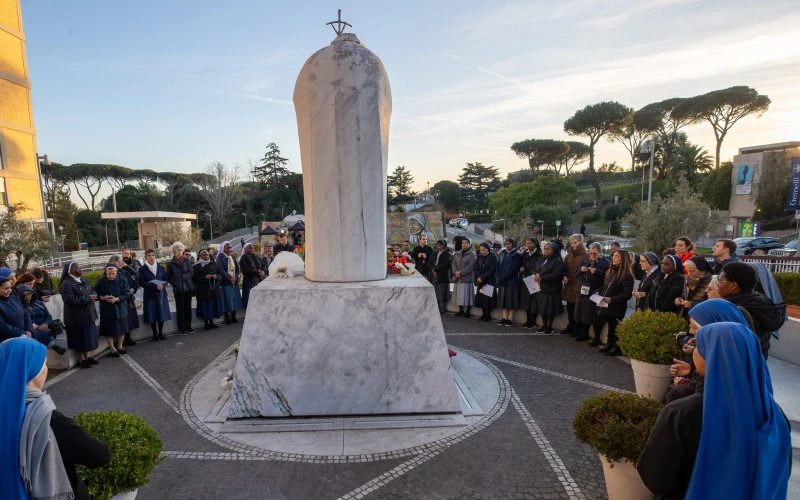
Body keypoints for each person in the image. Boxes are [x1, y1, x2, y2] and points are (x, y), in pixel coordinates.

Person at [637, 322, 791, 500]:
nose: (694, 351)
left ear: (712, 355)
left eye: (700, 347)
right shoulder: (774, 413)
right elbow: (780, 472)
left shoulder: (681, 412)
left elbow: (655, 477)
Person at [0, 338, 111, 500]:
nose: (46, 369)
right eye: (43, 364)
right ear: (31, 371)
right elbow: (99, 455)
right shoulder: (44, 417)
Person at [667, 299, 753, 404]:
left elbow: (711, 393)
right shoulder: (744, 360)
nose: (690, 331)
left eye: (694, 327)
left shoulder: (729, 370)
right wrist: (692, 369)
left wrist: (683, 387)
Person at [718, 262, 786, 359]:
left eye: (720, 281)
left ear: (733, 285)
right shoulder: (758, 300)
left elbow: (732, 344)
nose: (717, 285)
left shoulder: (739, 310)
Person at [594, 250, 634, 356]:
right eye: (613, 256)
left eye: (616, 256)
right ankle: (609, 344)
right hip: (606, 304)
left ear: (623, 259)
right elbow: (606, 286)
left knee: (616, 327)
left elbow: (627, 295)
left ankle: (616, 347)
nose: (613, 258)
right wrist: (599, 290)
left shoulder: (626, 275)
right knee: (610, 326)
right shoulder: (611, 272)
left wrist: (612, 299)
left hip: (617, 306)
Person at [60, 263, 99, 368]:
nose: (79, 269)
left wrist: (94, 295)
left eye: (79, 267)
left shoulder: (84, 280)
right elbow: (69, 300)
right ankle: (81, 359)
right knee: (79, 339)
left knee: (88, 338)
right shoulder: (66, 283)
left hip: (88, 314)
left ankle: (87, 357)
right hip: (76, 317)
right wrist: (88, 299)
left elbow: (92, 289)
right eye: (76, 267)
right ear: (69, 271)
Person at [572, 242, 609, 344]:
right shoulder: (585, 262)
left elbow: (608, 278)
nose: (592, 255)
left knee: (596, 316)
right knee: (584, 315)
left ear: (601, 252)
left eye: (595, 253)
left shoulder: (606, 263)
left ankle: (597, 337)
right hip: (583, 292)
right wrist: (581, 269)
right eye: (591, 253)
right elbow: (575, 273)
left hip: (596, 293)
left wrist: (597, 272)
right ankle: (585, 333)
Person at [17, 284, 67, 355]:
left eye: (30, 294)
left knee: (43, 332)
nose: (28, 296)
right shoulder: (20, 306)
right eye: (26, 294)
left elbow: (48, 316)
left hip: (45, 326)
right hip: (33, 328)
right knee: (36, 333)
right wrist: (36, 326)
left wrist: (45, 324)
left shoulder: (39, 303)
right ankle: (54, 346)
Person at [93, 264, 130, 357]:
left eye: (113, 274)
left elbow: (126, 293)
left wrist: (117, 299)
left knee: (121, 328)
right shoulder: (101, 281)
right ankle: (112, 348)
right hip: (107, 308)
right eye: (109, 274)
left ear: (116, 272)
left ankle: (120, 346)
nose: (111, 276)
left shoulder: (122, 279)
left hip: (120, 307)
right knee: (109, 329)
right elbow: (94, 292)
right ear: (105, 272)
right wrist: (101, 297)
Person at [139, 249, 170, 341]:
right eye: (149, 255)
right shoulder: (142, 269)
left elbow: (165, 278)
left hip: (161, 294)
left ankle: (161, 332)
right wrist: (154, 286)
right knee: (152, 314)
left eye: (153, 255)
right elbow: (141, 282)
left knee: (161, 314)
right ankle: (154, 333)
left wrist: (162, 285)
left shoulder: (160, 267)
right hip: (150, 295)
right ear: (146, 257)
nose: (151, 257)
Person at [165, 242, 196, 335]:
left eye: (181, 250)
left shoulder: (186, 261)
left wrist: (183, 277)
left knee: (188, 308)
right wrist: (176, 283)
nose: (180, 252)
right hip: (178, 289)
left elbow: (191, 272)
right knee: (180, 308)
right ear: (174, 251)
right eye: (178, 250)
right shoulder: (170, 263)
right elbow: (168, 276)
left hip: (188, 287)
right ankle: (181, 328)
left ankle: (188, 326)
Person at [561, 234, 588, 336]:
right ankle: (571, 325)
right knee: (570, 307)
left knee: (579, 308)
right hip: (569, 285)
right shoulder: (569, 256)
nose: (573, 245)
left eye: (575, 242)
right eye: (571, 243)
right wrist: (564, 276)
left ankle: (578, 328)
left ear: (581, 242)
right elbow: (564, 269)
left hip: (580, 285)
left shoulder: (586, 256)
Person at [110, 255, 139, 347]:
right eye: (119, 261)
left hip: (129, 300)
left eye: (121, 261)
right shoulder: (110, 273)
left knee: (129, 319)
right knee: (120, 321)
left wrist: (133, 289)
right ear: (113, 262)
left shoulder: (125, 272)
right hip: (119, 300)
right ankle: (118, 342)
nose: (121, 263)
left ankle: (128, 338)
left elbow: (135, 280)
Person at [536, 242, 564, 335]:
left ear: (553, 250)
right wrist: (536, 274)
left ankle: (549, 327)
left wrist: (542, 278)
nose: (545, 250)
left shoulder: (557, 260)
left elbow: (557, 274)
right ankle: (544, 325)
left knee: (550, 308)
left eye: (548, 249)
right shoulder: (542, 259)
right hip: (542, 287)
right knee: (543, 308)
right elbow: (536, 268)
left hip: (552, 288)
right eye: (544, 248)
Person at [193, 249, 223, 330]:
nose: (206, 257)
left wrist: (217, 277)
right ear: (200, 256)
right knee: (206, 307)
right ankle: (206, 324)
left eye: (207, 255)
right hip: (203, 290)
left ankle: (212, 322)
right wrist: (204, 277)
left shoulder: (213, 263)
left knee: (213, 306)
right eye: (204, 255)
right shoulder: (196, 266)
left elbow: (220, 274)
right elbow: (194, 278)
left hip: (214, 288)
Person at [495, 238, 522, 326]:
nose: (507, 245)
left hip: (511, 281)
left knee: (511, 300)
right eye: (506, 244)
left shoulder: (517, 255)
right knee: (503, 300)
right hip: (502, 280)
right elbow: (498, 266)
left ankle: (510, 318)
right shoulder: (502, 253)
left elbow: (514, 270)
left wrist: (503, 278)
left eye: (509, 244)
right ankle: (504, 317)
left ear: (513, 244)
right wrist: (499, 277)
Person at [0, 277, 34, 343]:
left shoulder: (14, 298)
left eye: (10, 288)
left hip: (23, 336)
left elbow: (25, 314)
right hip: (7, 341)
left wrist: (29, 330)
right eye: (6, 288)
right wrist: (22, 333)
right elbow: (2, 326)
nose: (9, 290)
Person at [519, 238, 543, 329]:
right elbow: (521, 263)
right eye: (527, 243)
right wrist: (521, 267)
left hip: (534, 279)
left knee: (533, 301)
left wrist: (535, 273)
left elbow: (540, 267)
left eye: (531, 243)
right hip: (526, 278)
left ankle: (532, 321)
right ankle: (528, 320)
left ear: (535, 244)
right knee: (526, 301)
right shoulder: (524, 254)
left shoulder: (539, 255)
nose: (529, 245)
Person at [217, 241, 243, 324]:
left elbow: (236, 268)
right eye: (227, 248)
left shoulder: (232, 256)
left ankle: (233, 316)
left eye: (230, 248)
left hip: (233, 281)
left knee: (234, 298)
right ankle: (227, 317)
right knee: (227, 299)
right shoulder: (220, 257)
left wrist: (236, 276)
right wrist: (230, 278)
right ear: (223, 248)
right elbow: (221, 269)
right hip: (225, 281)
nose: (229, 249)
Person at [451, 237, 476, 318]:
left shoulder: (472, 254)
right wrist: (455, 272)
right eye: (463, 243)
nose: (464, 245)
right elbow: (453, 263)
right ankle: (460, 310)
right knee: (459, 295)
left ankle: (468, 311)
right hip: (458, 277)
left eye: (466, 243)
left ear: (470, 244)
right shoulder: (458, 253)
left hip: (467, 277)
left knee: (467, 294)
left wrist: (461, 272)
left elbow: (471, 266)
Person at [474, 242, 498, 322]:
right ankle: (483, 313)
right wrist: (479, 276)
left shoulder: (493, 257)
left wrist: (482, 277)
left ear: (488, 249)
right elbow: (476, 268)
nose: (482, 252)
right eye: (480, 250)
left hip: (489, 280)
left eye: (484, 250)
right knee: (481, 298)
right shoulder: (479, 257)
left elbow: (492, 270)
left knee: (488, 299)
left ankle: (488, 314)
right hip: (480, 281)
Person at [239, 242, 265, 308]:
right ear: (245, 249)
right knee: (249, 300)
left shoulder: (256, 257)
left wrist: (263, 271)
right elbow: (246, 270)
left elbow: (263, 265)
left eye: (252, 248)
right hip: (249, 281)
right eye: (249, 248)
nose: (251, 249)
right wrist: (257, 272)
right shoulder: (243, 259)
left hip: (258, 280)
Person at [431, 239, 452, 314]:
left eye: (440, 246)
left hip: (443, 275)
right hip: (435, 274)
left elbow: (446, 265)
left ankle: (443, 307)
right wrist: (433, 269)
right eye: (437, 245)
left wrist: (436, 268)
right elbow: (431, 262)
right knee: (436, 291)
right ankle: (437, 307)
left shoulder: (447, 254)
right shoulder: (435, 253)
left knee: (443, 292)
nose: (439, 247)